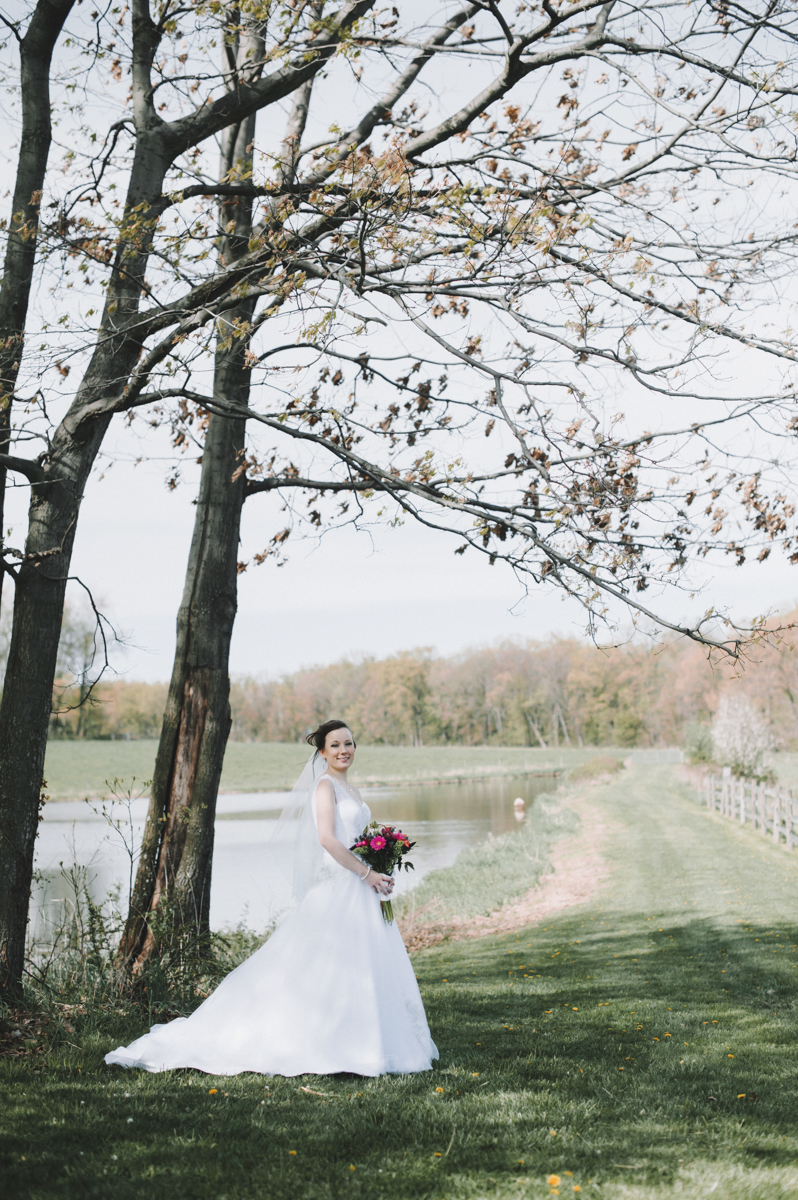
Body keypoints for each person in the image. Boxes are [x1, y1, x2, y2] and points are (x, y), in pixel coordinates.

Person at [104, 720, 438, 1076]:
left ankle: (370, 1043)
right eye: (336, 745)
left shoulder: (350, 789)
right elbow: (327, 839)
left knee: (363, 966)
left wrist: (378, 861)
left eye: (350, 743)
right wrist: (366, 872)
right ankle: (321, 1041)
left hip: (360, 889)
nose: (344, 750)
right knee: (317, 965)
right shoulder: (325, 787)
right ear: (322, 752)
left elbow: (355, 837)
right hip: (340, 886)